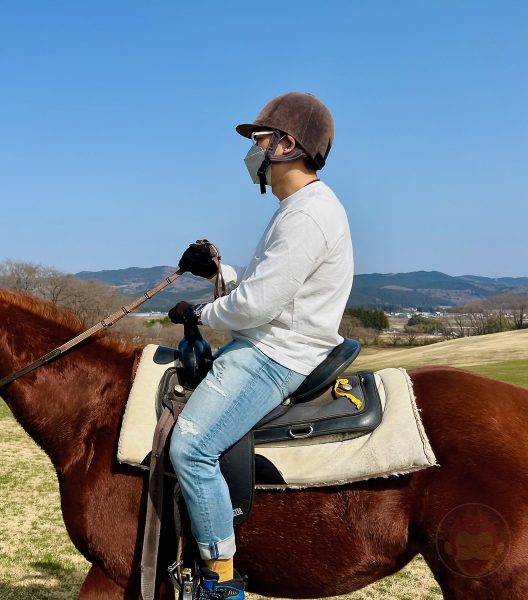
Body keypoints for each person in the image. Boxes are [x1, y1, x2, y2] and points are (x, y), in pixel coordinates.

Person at [167, 92, 354, 599]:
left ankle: (221, 582)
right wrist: (220, 272)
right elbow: (265, 283)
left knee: (192, 448)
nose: (254, 149)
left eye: (260, 139)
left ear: (287, 145)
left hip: (276, 354)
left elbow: (257, 307)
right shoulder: (299, 208)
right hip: (276, 340)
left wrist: (200, 313)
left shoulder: (307, 215)